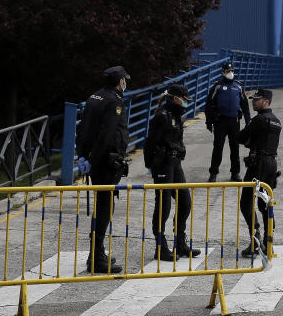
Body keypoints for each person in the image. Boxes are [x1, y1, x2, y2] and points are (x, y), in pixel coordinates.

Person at [77, 65, 131, 274]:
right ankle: (97, 257)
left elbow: (83, 129)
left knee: (101, 207)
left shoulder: (94, 97)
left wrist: (83, 155)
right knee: (104, 210)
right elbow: (107, 135)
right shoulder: (114, 102)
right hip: (105, 163)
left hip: (94, 161)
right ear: (120, 82)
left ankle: (97, 252)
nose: (125, 83)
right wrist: (95, 159)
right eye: (124, 80)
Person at [144, 84, 202, 262]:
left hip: (175, 164)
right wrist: (151, 166)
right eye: (183, 99)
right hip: (163, 164)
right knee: (164, 205)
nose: (185, 103)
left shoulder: (176, 114)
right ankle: (160, 246)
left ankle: (180, 242)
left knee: (185, 202)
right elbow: (150, 142)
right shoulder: (161, 116)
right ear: (175, 97)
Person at [238, 89, 282, 259]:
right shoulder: (276, 121)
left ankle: (255, 241)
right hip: (271, 164)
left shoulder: (259, 119)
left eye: (257, 100)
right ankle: (268, 240)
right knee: (265, 204)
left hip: (259, 165)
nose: (253, 102)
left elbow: (241, 137)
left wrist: (247, 138)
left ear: (266, 102)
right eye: (253, 99)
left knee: (246, 202)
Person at [205, 62, 251, 182]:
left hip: (234, 121)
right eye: (227, 71)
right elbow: (209, 104)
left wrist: (248, 121)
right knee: (218, 147)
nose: (230, 73)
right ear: (223, 72)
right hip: (220, 121)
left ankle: (235, 173)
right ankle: (213, 173)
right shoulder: (218, 86)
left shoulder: (239, 86)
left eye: (232, 71)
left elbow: (245, 105)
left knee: (235, 147)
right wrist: (209, 121)